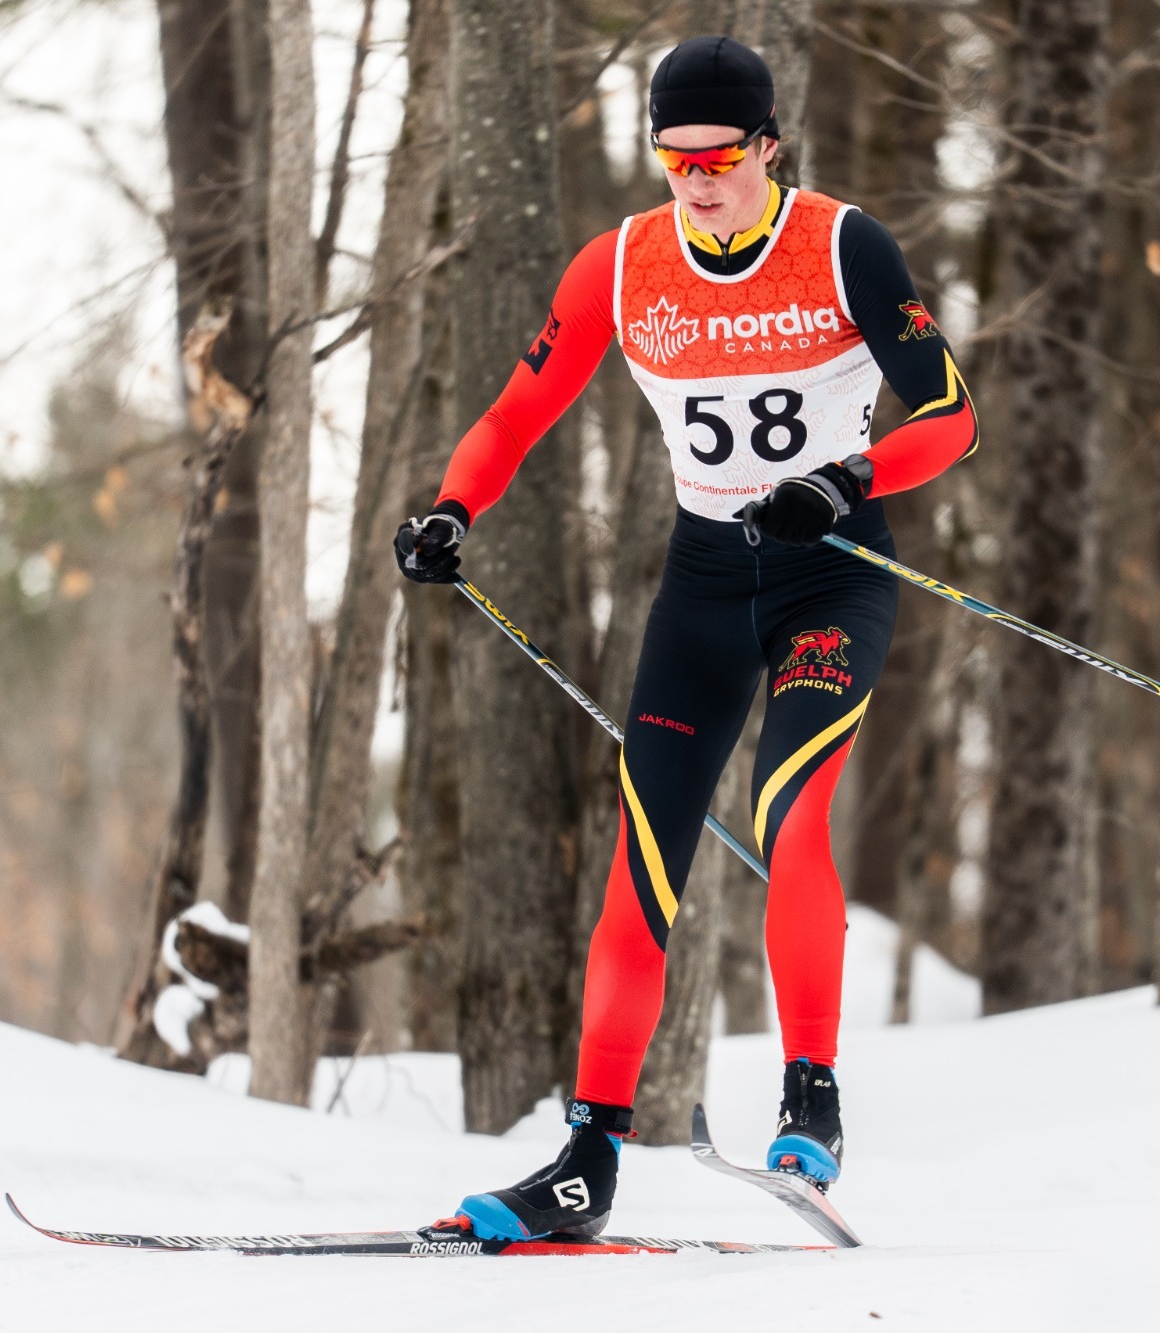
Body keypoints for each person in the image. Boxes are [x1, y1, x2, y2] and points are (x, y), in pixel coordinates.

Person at [394, 35, 977, 1241]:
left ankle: (808, 1100)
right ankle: (583, 1159)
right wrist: (451, 508)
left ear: (766, 144)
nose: (697, 179)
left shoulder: (840, 244)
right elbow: (516, 412)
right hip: (705, 586)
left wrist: (847, 475)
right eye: (675, 156)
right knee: (643, 862)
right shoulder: (620, 266)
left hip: (831, 575)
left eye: (719, 155)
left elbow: (951, 415)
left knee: (788, 810)